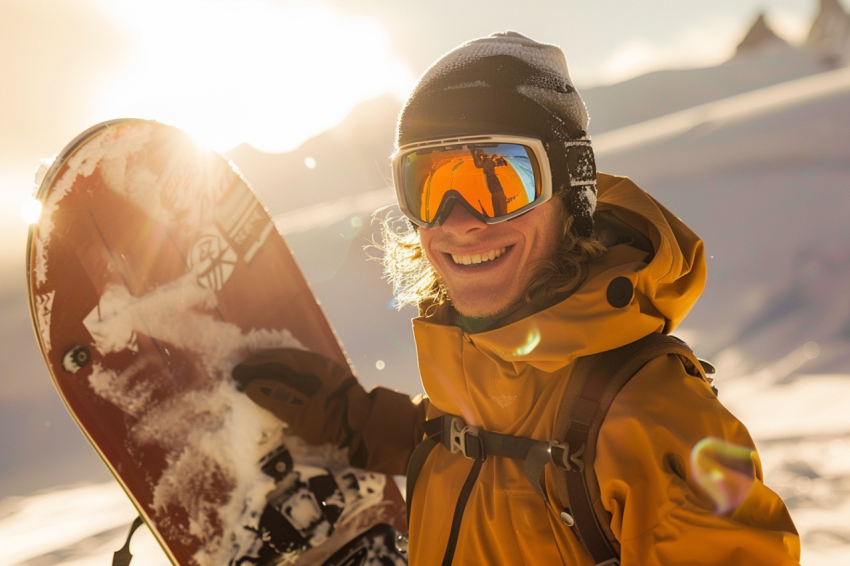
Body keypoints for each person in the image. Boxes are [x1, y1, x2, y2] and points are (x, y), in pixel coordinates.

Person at [236, 31, 801, 565]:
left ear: (569, 192)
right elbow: (471, 437)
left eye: (499, 180)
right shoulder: (477, 363)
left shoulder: (659, 419)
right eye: (428, 184)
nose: (459, 221)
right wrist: (352, 421)